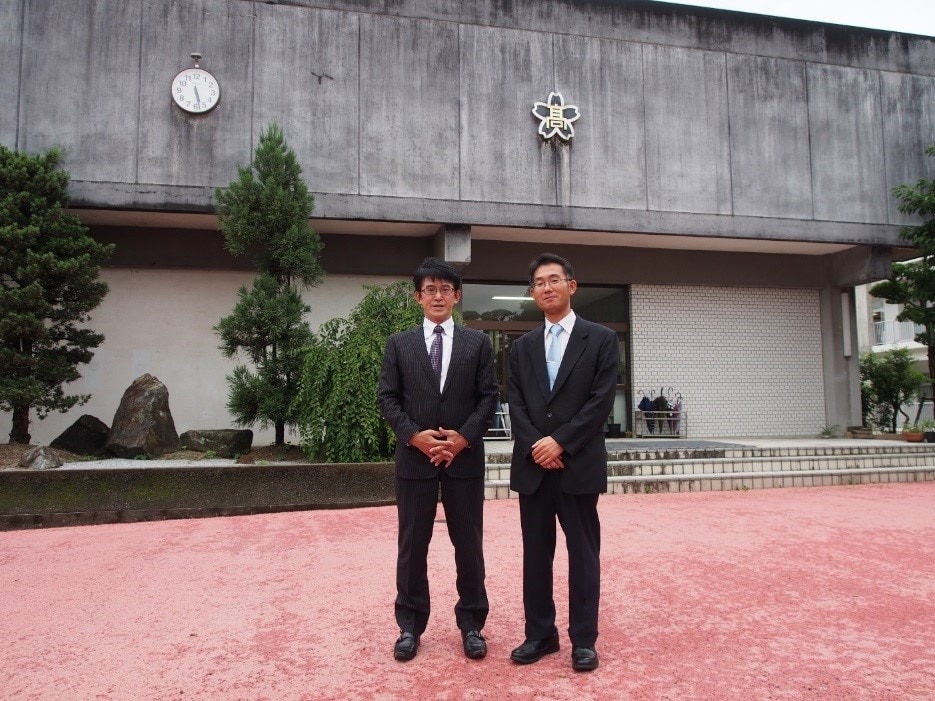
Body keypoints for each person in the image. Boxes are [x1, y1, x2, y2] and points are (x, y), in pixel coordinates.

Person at [377, 257, 499, 662]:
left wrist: (463, 438)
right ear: (418, 297)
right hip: (415, 462)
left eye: (445, 289)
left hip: (464, 460)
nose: (438, 295)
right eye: (430, 289)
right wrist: (414, 436)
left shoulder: (478, 343)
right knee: (412, 546)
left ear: (457, 296)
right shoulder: (399, 344)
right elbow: (387, 398)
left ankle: (472, 624)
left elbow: (488, 398)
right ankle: (409, 626)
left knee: (469, 546)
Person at [507, 252, 619, 672]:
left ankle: (584, 640)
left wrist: (562, 443)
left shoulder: (602, 340)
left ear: (572, 286)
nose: (546, 287)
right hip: (534, 467)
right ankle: (540, 634)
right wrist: (539, 444)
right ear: (533, 293)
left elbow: (599, 403)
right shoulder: (521, 347)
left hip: (579, 466)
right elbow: (515, 404)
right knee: (535, 556)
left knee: (583, 555)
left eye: (554, 279)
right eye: (539, 282)